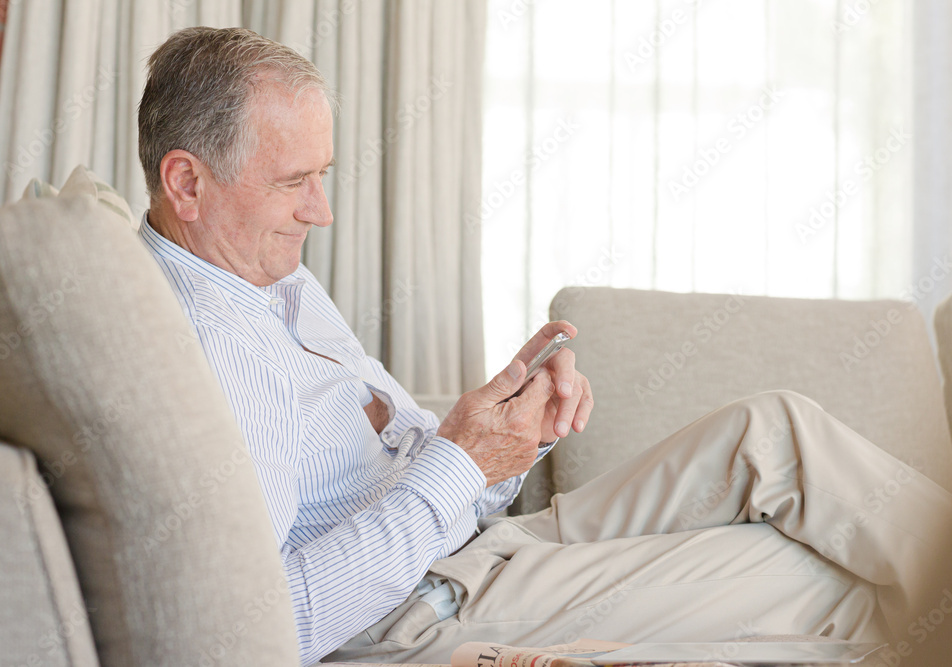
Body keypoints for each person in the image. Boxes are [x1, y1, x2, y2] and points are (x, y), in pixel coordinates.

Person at [137, 26, 952, 666]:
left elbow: (421, 462)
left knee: (775, 429)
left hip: (479, 544)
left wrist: (509, 433)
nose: (322, 211)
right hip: (422, 606)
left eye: (324, 176)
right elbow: (275, 624)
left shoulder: (271, 279)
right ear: (187, 183)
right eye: (293, 183)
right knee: (822, 573)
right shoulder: (204, 354)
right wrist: (461, 462)